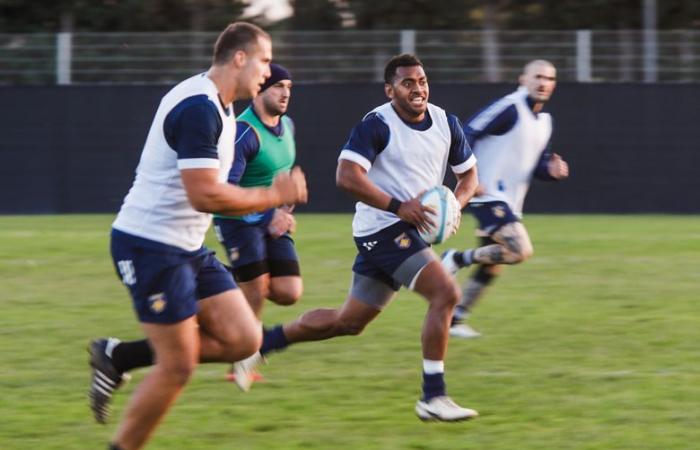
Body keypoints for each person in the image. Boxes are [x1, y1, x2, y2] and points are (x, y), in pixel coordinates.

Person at [87, 22, 308, 450]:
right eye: (264, 61)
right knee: (178, 366)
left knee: (246, 338)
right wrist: (272, 196)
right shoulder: (200, 108)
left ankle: (117, 356)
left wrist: (271, 203)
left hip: (186, 247)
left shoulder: (223, 108)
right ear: (239, 58)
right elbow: (204, 193)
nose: (269, 72)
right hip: (149, 245)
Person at [236, 54, 481, 422]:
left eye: (422, 81)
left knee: (348, 322)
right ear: (390, 89)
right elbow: (347, 176)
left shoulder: (447, 123)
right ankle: (433, 396)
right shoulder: (376, 124)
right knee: (446, 293)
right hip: (382, 230)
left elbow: (469, 177)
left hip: (411, 232)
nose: (418, 89)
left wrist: (454, 207)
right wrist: (399, 207)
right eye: (407, 83)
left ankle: (262, 344)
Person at [441, 59, 569, 339]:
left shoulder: (545, 122)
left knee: (495, 263)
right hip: (486, 195)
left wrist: (551, 170)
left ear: (554, 85)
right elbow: (467, 132)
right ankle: (456, 258)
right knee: (520, 249)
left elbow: (537, 165)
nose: (543, 82)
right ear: (523, 79)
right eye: (537, 76)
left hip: (510, 202)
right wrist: (470, 178)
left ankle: (456, 319)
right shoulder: (510, 107)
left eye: (549, 78)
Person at [211, 63, 300, 387]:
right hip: (238, 220)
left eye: (289, 87)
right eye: (278, 86)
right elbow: (227, 191)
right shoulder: (244, 132)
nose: (285, 93)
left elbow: (282, 171)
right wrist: (267, 214)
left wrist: (286, 205)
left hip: (272, 217)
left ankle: (220, 277)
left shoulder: (287, 125)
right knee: (256, 289)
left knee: (289, 291)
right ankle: (241, 362)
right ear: (260, 90)